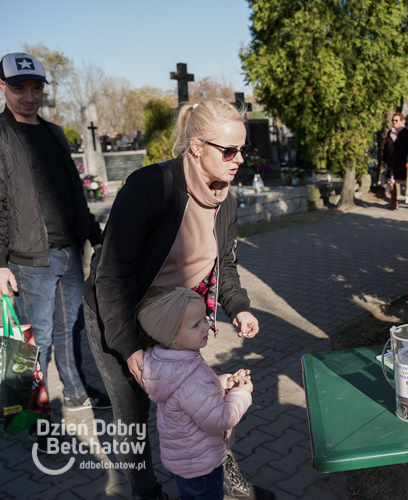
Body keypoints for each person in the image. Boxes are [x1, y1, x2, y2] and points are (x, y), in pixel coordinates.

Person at [83, 98, 274, 500]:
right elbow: (112, 275)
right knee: (133, 413)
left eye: (242, 150)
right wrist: (129, 349)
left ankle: (224, 480)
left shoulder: (227, 200)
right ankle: (146, 490)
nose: (238, 159)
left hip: (175, 319)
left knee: (201, 396)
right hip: (121, 315)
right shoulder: (151, 187)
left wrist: (238, 307)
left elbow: (226, 263)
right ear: (196, 147)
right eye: (228, 150)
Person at [0, 52, 111, 444]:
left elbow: (74, 193)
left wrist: (96, 237)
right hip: (30, 260)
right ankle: (35, 421)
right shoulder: (1, 136)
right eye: (19, 88)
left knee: (70, 330)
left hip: (68, 252)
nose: (29, 96)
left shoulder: (54, 133)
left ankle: (77, 392)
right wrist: (0, 264)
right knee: (36, 341)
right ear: (3, 87)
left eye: (35, 89)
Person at [138, 287, 254, 500]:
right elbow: (220, 419)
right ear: (170, 335)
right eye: (196, 324)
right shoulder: (190, 375)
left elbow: (193, 398)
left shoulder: (166, 362)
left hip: (183, 462)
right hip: (202, 467)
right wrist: (241, 394)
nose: (206, 327)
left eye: (204, 319)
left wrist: (224, 384)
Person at [380, 112, 408, 210]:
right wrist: (384, 160)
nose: (394, 122)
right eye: (393, 120)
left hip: (402, 162)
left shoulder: (406, 133)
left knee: (407, 182)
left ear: (401, 121)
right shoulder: (390, 133)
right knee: (391, 182)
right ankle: (394, 203)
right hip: (391, 162)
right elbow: (386, 147)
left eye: (396, 120)